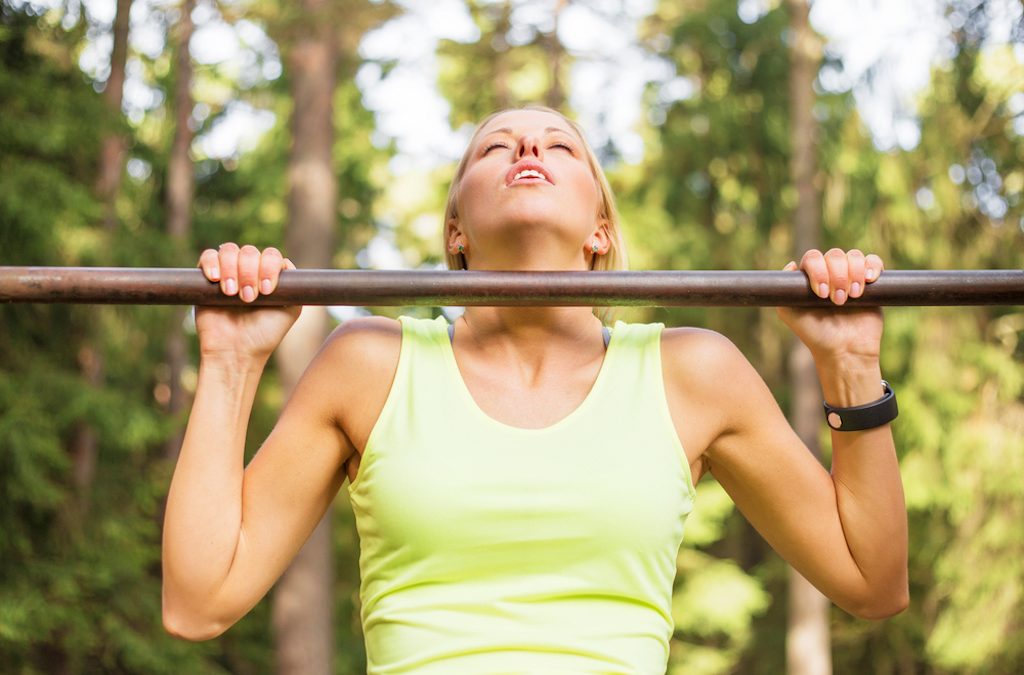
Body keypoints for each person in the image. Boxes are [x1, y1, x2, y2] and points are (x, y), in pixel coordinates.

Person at [161, 106, 908, 673]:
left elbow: (872, 583)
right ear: (456, 230)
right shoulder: (371, 362)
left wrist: (850, 365)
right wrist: (229, 360)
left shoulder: (693, 374)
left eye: (559, 146)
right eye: (495, 145)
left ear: (600, 231)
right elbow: (198, 602)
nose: (526, 149)